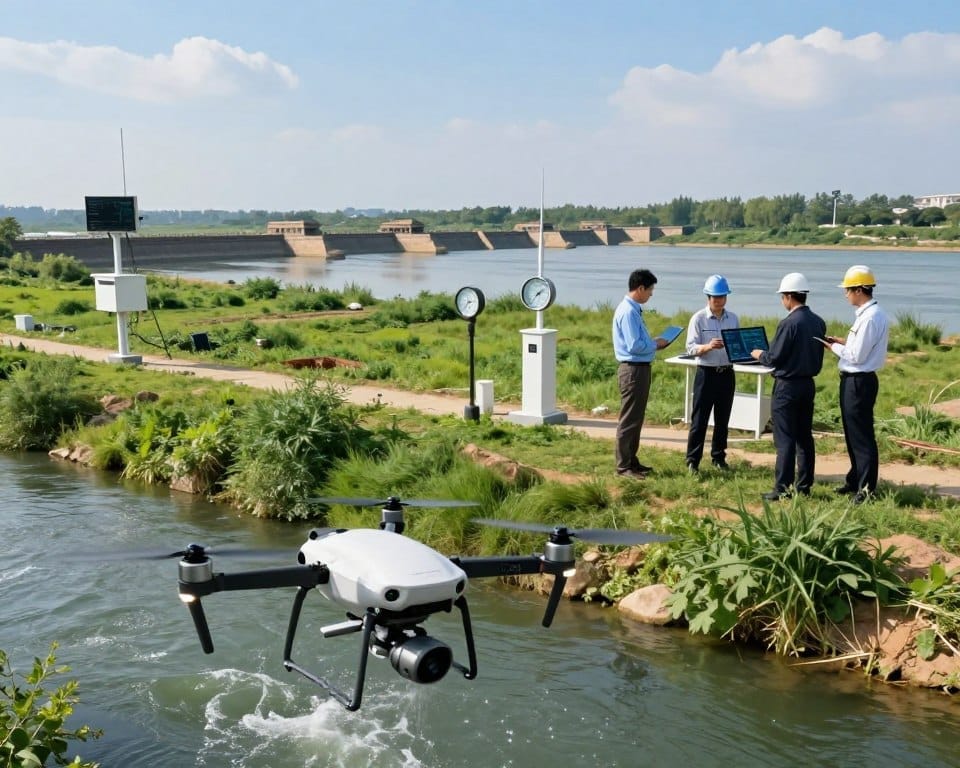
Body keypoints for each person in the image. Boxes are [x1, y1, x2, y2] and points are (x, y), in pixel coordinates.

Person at [750, 272, 826, 501]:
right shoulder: (818, 321)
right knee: (805, 437)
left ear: (789, 297)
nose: (783, 301)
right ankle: (804, 486)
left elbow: (774, 357)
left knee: (784, 440)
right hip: (807, 385)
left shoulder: (788, 323)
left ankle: (782, 488)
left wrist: (758, 354)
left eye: (783, 297)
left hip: (787, 387)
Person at [818, 265, 890, 505]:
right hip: (855, 381)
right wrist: (843, 341)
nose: (845, 294)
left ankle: (866, 488)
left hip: (859, 381)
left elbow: (857, 356)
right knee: (852, 433)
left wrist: (833, 347)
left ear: (860, 290)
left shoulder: (870, 318)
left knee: (861, 436)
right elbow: (859, 346)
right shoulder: (868, 315)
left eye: (848, 290)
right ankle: (855, 479)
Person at [612, 268, 669, 479]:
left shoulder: (633, 309)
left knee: (636, 418)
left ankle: (631, 461)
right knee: (629, 419)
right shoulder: (628, 312)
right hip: (633, 370)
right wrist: (656, 344)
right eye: (650, 290)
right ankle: (623, 466)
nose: (651, 294)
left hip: (639, 369)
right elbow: (634, 345)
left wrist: (654, 344)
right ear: (640, 288)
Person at [684, 274, 740, 473]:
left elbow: (737, 345)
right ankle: (693, 460)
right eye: (715, 297)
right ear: (708, 297)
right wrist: (707, 347)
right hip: (706, 374)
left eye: (722, 296)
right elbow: (690, 348)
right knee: (699, 419)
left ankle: (718, 457)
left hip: (726, 373)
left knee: (723, 419)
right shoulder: (698, 319)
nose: (718, 301)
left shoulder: (733, 318)